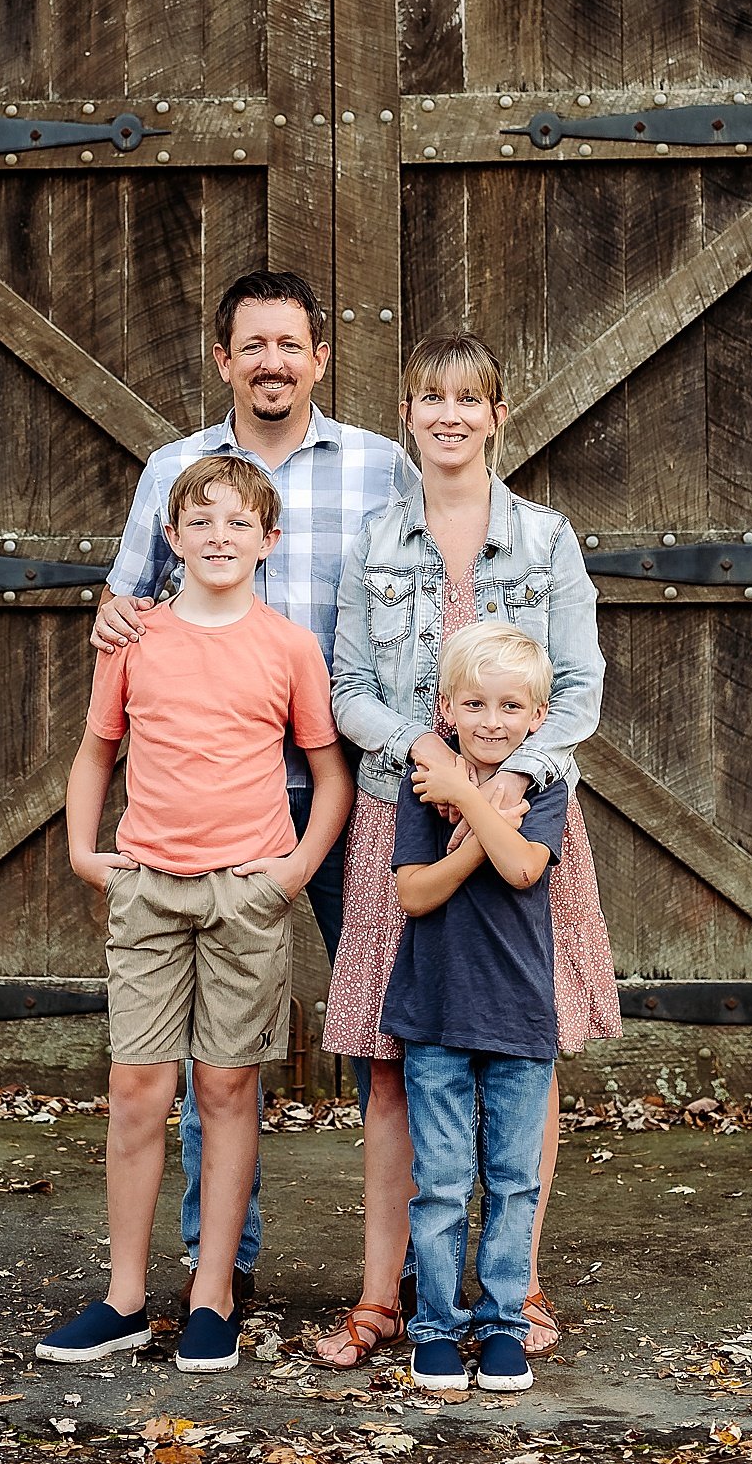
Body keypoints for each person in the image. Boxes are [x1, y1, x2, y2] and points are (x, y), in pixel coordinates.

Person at [92, 271, 411, 1296]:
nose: (272, 361)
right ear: (222, 359)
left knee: (381, 1030)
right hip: (212, 808)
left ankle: (397, 1271)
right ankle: (217, 1272)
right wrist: (107, 617)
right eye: (252, 345)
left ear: (321, 358)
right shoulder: (175, 471)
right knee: (210, 1061)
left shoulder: (380, 467)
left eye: (291, 344)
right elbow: (130, 608)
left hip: (348, 791)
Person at [315, 331, 621, 1369]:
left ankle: (515, 1287)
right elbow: (349, 686)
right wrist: (429, 766)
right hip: (398, 814)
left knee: (525, 1050)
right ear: (407, 414)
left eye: (468, 399)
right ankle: (383, 1296)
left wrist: (505, 777)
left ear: (497, 415)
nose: (448, 415)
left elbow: (577, 687)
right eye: (428, 398)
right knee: (397, 1061)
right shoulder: (373, 540)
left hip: (530, 811)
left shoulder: (546, 539)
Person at [39, 456, 353, 1373]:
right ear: (170, 539)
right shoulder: (134, 640)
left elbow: (328, 774)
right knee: (138, 1087)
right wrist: (81, 848)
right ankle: (126, 1297)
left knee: (225, 1088)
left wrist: (290, 873)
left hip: (244, 895)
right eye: (201, 522)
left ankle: (213, 1293)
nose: (220, 536)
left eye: (239, 523)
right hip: (148, 890)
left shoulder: (291, 647)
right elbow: (97, 753)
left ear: (270, 541)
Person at [387, 623, 568, 1395]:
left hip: (521, 1015)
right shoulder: (424, 787)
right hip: (436, 1014)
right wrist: (463, 804)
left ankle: (501, 1325)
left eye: (510, 705)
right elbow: (414, 891)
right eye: (474, 703)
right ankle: (434, 1325)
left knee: (514, 1179)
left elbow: (526, 867)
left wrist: (474, 799)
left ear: (536, 716)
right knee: (440, 1182)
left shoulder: (549, 787)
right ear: (447, 708)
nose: (491, 719)